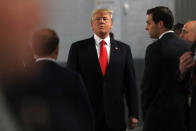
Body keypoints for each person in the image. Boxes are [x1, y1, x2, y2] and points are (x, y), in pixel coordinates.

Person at [5, 28, 95, 131]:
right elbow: (86, 119)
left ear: (33, 49)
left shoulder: (17, 79)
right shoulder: (72, 78)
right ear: (56, 50)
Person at [67, 8, 139, 131]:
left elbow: (130, 84)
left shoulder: (124, 49)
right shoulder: (78, 48)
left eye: (105, 19)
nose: (101, 22)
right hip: (87, 116)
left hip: (115, 117)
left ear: (111, 24)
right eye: (97, 19)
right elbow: (71, 83)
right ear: (92, 25)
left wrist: (134, 113)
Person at [141, 6, 190, 131]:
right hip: (182, 116)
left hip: (158, 118)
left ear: (160, 24)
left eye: (149, 23)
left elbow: (148, 86)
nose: (146, 27)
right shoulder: (187, 47)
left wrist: (146, 112)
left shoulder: (155, 49)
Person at [178, 20, 196, 131]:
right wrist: (181, 73)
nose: (181, 35)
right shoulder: (189, 51)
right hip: (189, 113)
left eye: (185, 32)